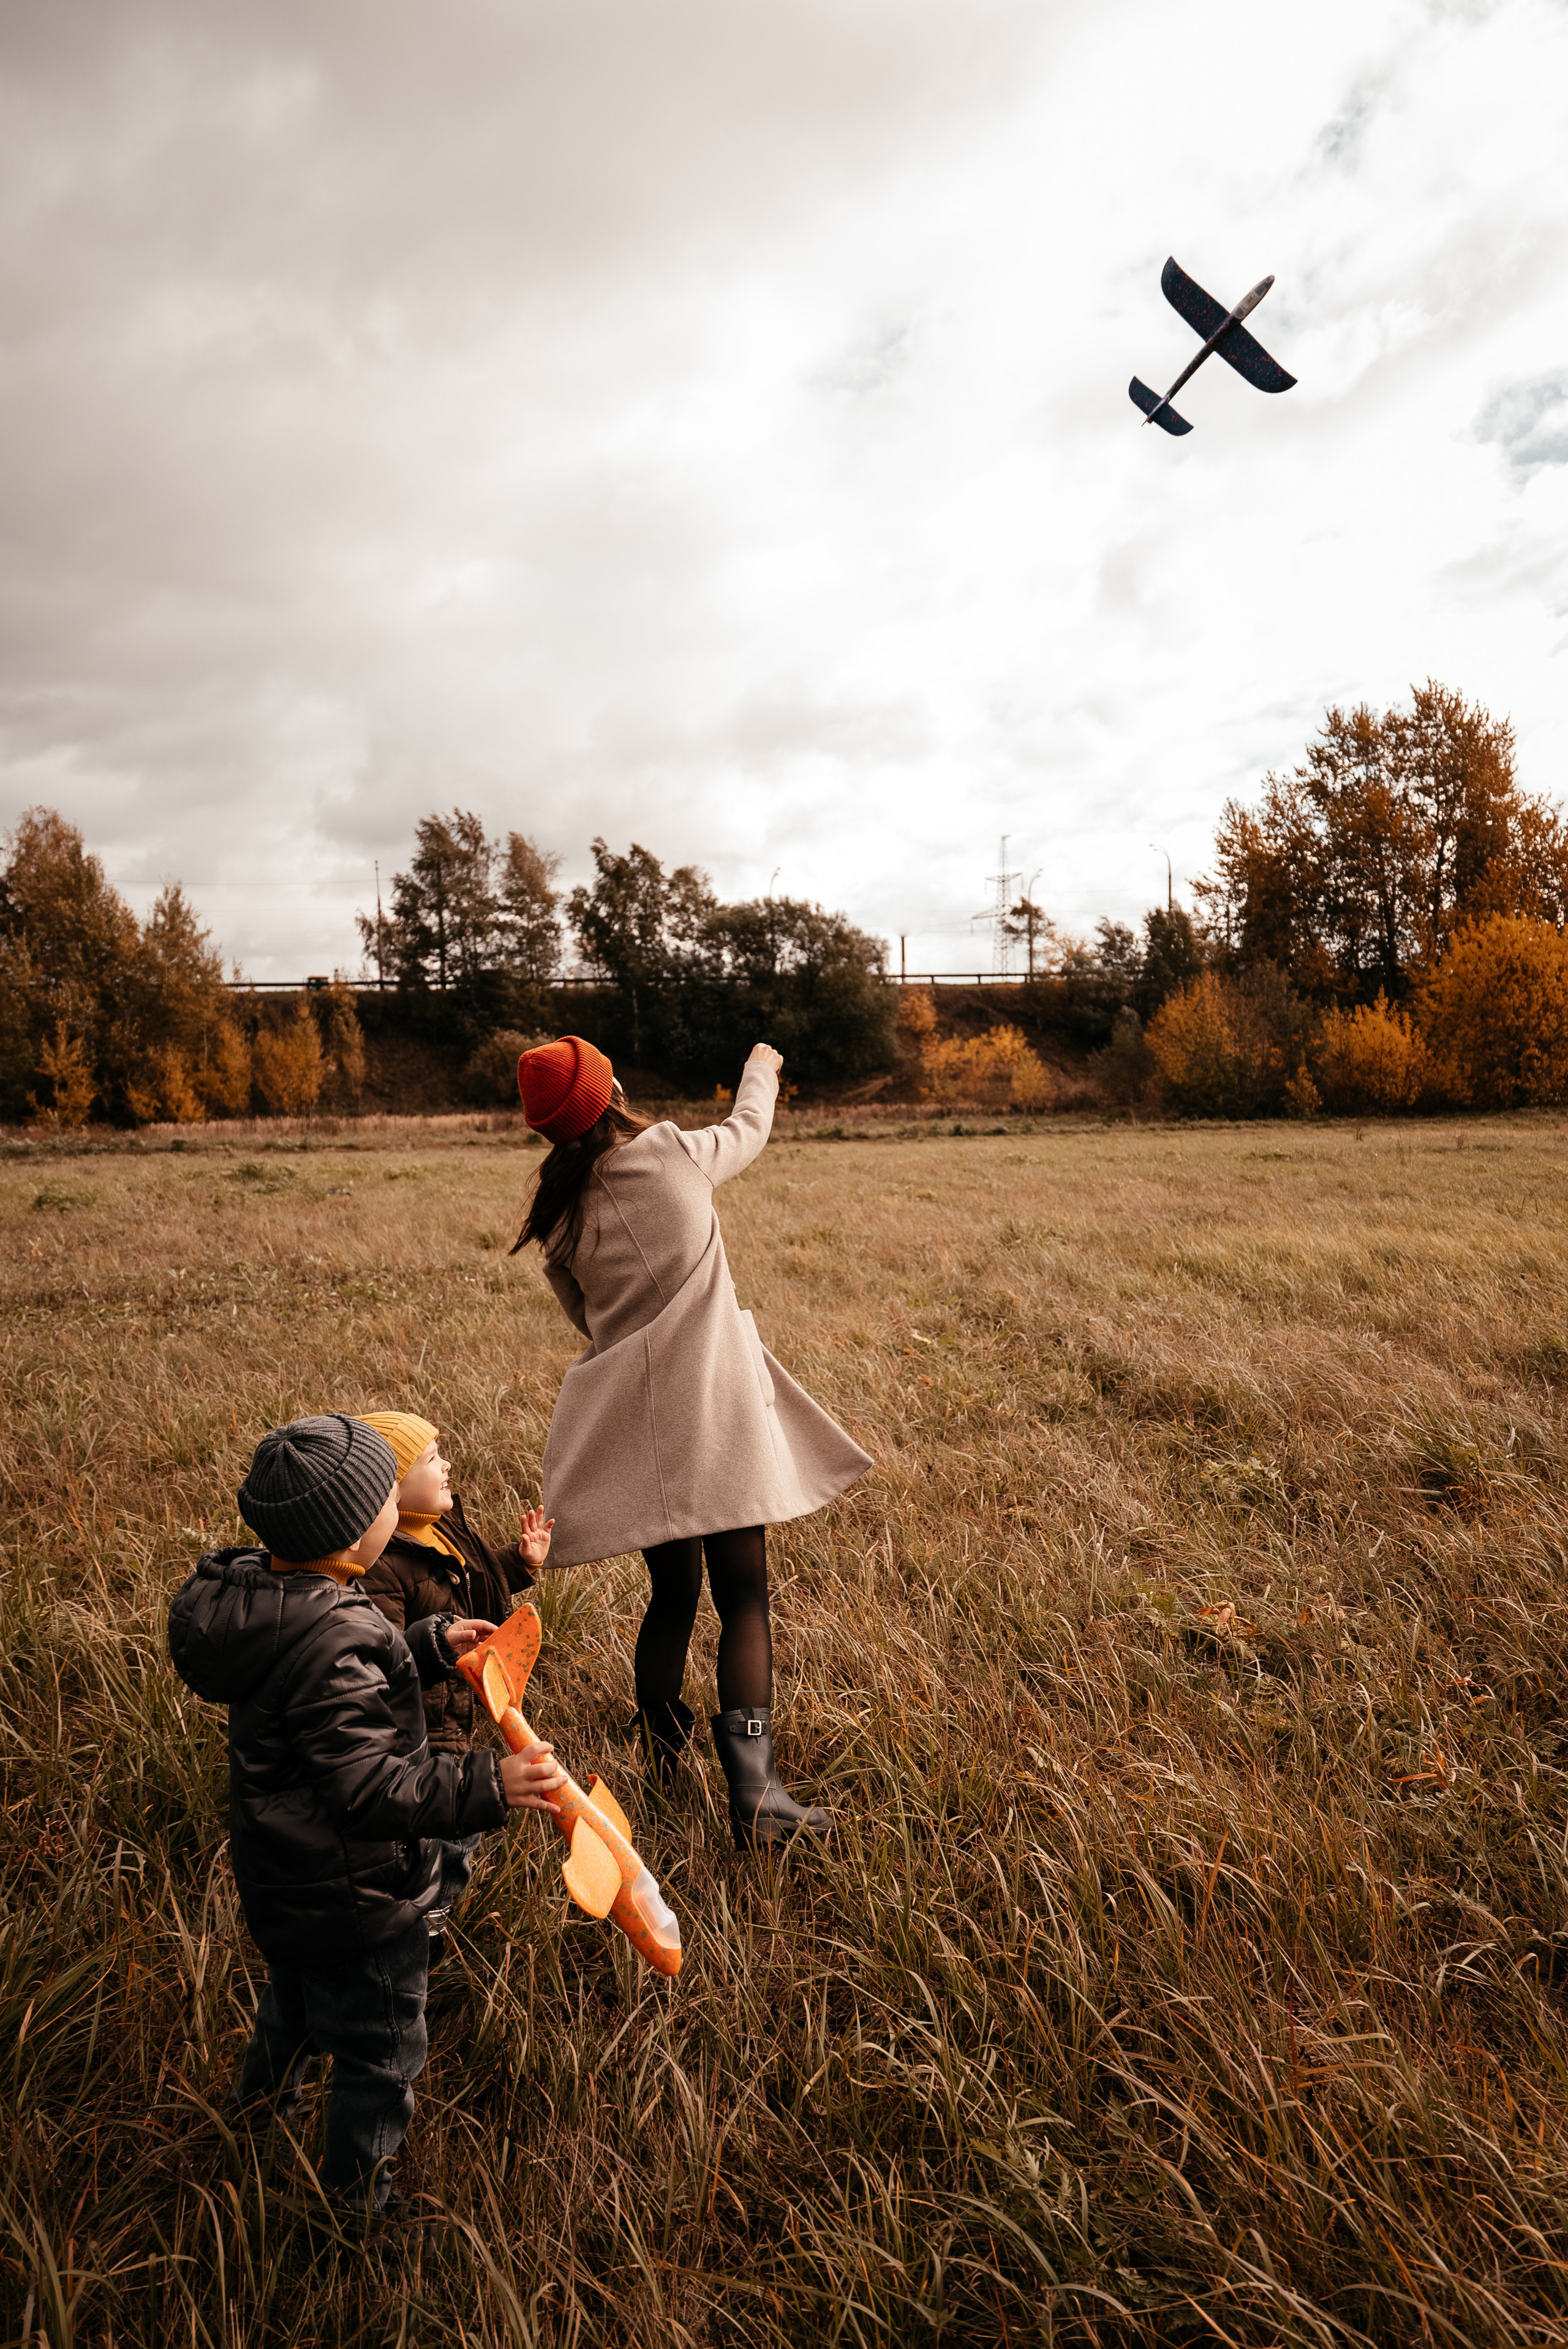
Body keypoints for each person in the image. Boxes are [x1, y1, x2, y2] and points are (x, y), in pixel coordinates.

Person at [167, 1413, 565, 2217]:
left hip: (292, 1879)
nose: (404, 1507)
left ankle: (253, 2116)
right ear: (355, 1536)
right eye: (387, 1495)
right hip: (360, 1895)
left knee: (296, 2005)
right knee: (381, 2049)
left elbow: (326, 1689)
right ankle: (357, 2206)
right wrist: (491, 1782)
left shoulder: (280, 1600)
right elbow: (371, 1786)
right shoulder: (336, 1630)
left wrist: (421, 1644)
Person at [512, 1033, 871, 1848]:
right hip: (719, 1410)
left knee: (671, 1598)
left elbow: (591, 1325)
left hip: (645, 1434)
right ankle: (757, 1799)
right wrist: (763, 1068)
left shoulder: (559, 1218)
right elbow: (749, 1128)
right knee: (743, 1594)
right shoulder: (671, 1151)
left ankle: (667, 1775)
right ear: (609, 1093)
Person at [357, 1410, 553, 1952]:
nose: (446, 1466)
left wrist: (517, 1562)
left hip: (454, 1718)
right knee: (440, 1834)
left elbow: (469, 1579)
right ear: (388, 1489)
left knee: (457, 1828)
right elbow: (380, 1654)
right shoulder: (380, 1565)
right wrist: (435, 1642)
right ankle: (421, 1933)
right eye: (429, 1460)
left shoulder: (437, 1532)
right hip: (421, 1733)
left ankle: (432, 1922)